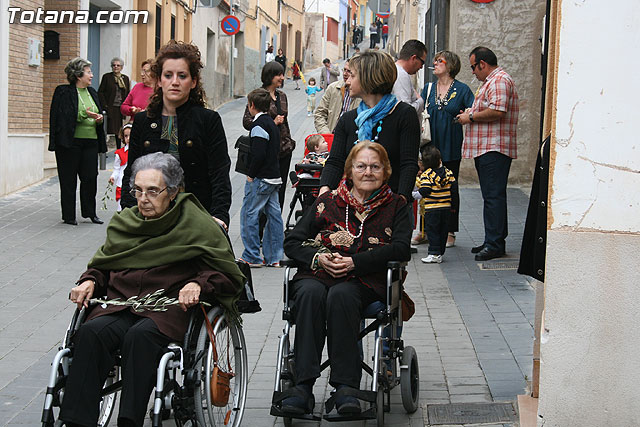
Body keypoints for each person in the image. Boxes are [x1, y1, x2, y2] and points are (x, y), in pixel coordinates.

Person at [59, 152, 245, 427]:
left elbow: (225, 273)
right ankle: (77, 422)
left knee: (139, 338)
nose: (143, 198)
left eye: (152, 191)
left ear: (172, 192)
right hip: (120, 302)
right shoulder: (126, 223)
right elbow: (104, 264)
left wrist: (197, 284)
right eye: (138, 190)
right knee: (90, 332)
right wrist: (89, 280)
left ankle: (129, 420)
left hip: (166, 309)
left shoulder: (196, 224)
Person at [281, 141, 411, 415]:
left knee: (341, 296)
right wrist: (319, 258)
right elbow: (292, 240)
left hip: (363, 280)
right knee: (309, 295)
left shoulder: (396, 205)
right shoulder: (327, 202)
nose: (368, 172)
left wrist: (355, 262)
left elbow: (400, 248)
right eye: (361, 166)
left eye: (375, 166)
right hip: (318, 274)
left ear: (385, 171)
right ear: (350, 171)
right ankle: (302, 387)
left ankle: (345, 388)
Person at [121, 41, 232, 229]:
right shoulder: (142, 121)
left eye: (182, 76)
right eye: (168, 75)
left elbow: (219, 173)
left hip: (197, 216)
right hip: (151, 218)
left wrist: (219, 217)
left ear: (193, 81)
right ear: (159, 80)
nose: (175, 82)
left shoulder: (208, 120)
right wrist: (128, 212)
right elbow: (131, 172)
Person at [319, 51, 420, 202]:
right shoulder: (348, 119)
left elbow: (409, 164)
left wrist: (401, 200)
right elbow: (335, 162)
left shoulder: (404, 115)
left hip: (391, 206)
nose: (347, 82)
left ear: (369, 78)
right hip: (354, 205)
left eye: (352, 76)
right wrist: (325, 190)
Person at [456, 46, 519, 261]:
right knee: (490, 196)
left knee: (493, 196)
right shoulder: (490, 82)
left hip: (494, 148)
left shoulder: (499, 80)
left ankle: (495, 244)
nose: (473, 72)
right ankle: (492, 239)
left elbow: (498, 111)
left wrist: (470, 118)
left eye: (474, 67)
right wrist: (471, 113)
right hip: (487, 148)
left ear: (482, 64)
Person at [421, 50, 474, 248]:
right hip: (429, 147)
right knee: (425, 185)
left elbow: (472, 109)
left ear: (450, 65)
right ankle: (425, 230)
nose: (435, 63)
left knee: (449, 187)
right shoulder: (428, 88)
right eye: (434, 61)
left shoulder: (462, 89)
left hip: (450, 146)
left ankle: (449, 231)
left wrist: (468, 113)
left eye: (439, 61)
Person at [49, 57, 106, 226]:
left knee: (90, 178)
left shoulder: (93, 92)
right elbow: (60, 118)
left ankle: (90, 213)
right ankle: (69, 215)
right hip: (69, 142)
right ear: (78, 75)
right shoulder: (63, 92)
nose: (92, 75)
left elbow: (98, 112)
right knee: (68, 179)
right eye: (88, 72)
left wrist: (99, 118)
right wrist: (83, 115)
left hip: (91, 141)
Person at [240, 88, 285, 268]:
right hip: (274, 177)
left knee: (249, 214)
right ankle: (274, 256)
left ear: (251, 106)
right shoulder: (272, 124)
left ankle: (252, 256)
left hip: (261, 178)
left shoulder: (258, 126)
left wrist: (251, 174)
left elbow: (258, 154)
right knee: (274, 216)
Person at [243, 61, 296, 211]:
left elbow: (285, 121)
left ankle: (274, 224)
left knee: (279, 190)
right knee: (262, 190)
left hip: (284, 148)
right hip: (265, 152)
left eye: (282, 74)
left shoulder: (282, 96)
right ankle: (261, 224)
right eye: (279, 74)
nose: (282, 77)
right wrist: (271, 122)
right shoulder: (258, 95)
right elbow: (247, 121)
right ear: (269, 76)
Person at [414, 145, 456, 264]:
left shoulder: (427, 175)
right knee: (443, 231)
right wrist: (454, 206)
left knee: (432, 231)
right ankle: (440, 252)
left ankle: (434, 253)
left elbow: (425, 190)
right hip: (446, 208)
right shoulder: (449, 173)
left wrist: (416, 195)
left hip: (432, 209)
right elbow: (454, 191)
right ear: (439, 160)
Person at [314, 59, 361, 134]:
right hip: (332, 134)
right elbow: (320, 113)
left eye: (349, 71)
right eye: (344, 70)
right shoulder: (333, 88)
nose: (345, 74)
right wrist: (326, 133)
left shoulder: (363, 94)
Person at [98, 57, 130, 149]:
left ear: (122, 67)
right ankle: (103, 148)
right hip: (110, 107)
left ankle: (119, 148)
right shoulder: (107, 77)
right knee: (107, 129)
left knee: (119, 130)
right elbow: (101, 92)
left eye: (118, 65)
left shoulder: (125, 79)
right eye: (114, 65)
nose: (116, 67)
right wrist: (105, 105)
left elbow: (127, 93)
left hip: (120, 108)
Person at [392, 39, 428, 115]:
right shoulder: (401, 75)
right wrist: (421, 101)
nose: (421, 67)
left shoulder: (396, 71)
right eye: (422, 62)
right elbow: (405, 111)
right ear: (414, 58)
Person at [109, 124, 132, 212]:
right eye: (126, 136)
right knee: (120, 207)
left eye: (131, 135)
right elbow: (117, 168)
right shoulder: (119, 153)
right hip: (121, 183)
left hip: (134, 183)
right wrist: (113, 177)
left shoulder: (138, 151)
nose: (128, 138)